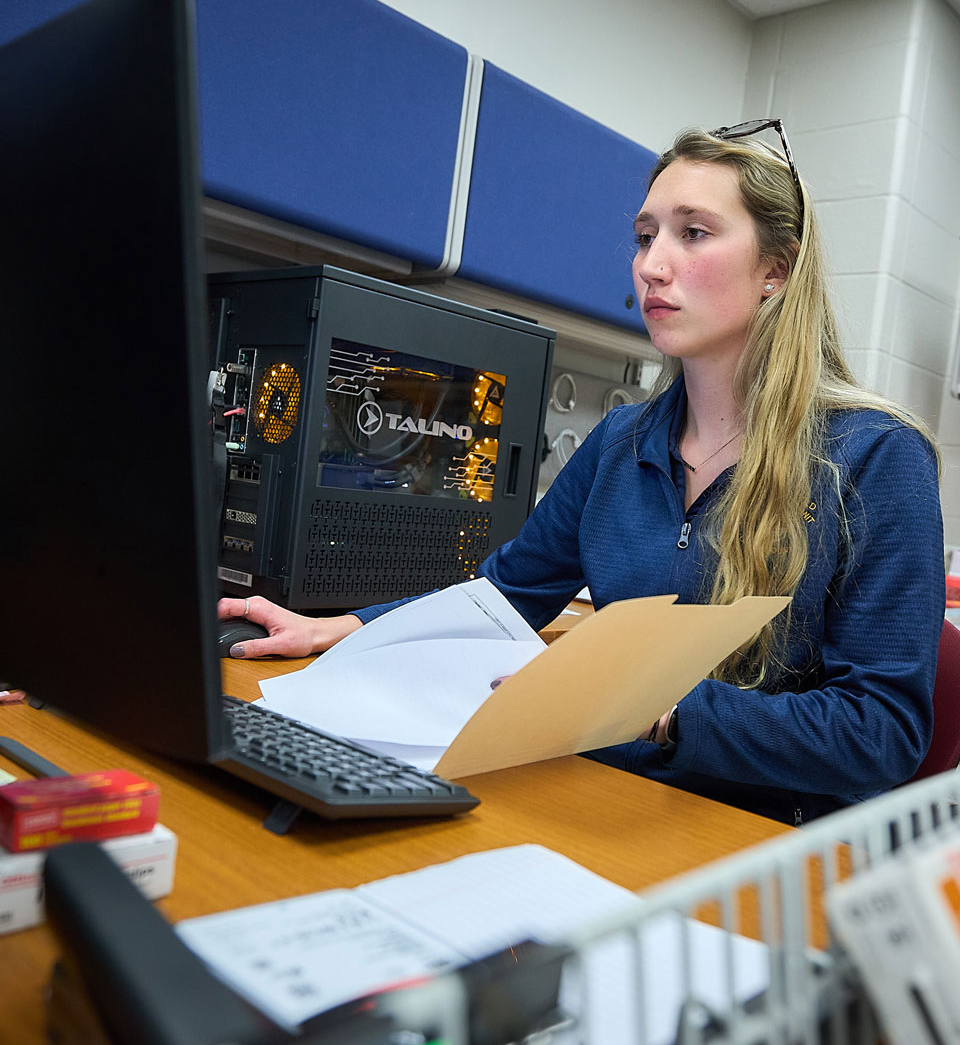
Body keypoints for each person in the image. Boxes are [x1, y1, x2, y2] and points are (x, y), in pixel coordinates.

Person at [219, 120, 944, 825]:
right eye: (645, 235)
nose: (652, 264)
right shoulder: (622, 441)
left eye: (693, 233)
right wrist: (343, 628)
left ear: (775, 271)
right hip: (610, 799)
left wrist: (661, 710)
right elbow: (505, 594)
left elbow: (879, 732)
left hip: (757, 831)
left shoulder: (874, 456)